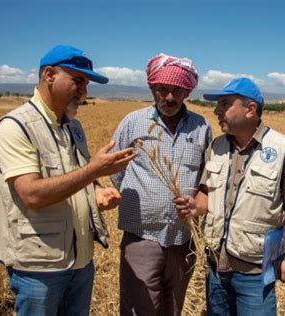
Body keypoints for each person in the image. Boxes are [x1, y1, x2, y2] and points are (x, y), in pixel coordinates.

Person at [0, 44, 136, 316]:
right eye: (77, 81)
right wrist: (94, 171)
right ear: (49, 76)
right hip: (39, 267)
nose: (84, 91)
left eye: (86, 84)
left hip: (80, 261)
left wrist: (96, 192)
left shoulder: (72, 127)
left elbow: (77, 176)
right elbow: (31, 194)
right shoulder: (15, 127)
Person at [174, 77, 285, 315]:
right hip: (216, 266)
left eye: (225, 104)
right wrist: (196, 206)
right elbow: (206, 192)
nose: (217, 111)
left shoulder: (283, 149)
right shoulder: (216, 146)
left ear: (250, 109)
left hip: (255, 272)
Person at [110, 53, 212, 316]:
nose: (169, 97)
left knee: (173, 309)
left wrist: (196, 205)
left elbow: (207, 179)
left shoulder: (202, 127)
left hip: (183, 240)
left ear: (187, 91)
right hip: (141, 239)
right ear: (152, 88)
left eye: (177, 90)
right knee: (138, 310)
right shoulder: (133, 122)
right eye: (162, 89)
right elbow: (115, 170)